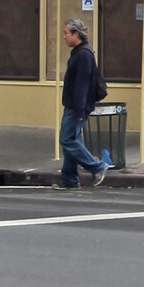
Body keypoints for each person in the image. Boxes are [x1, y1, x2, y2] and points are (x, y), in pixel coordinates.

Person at [58, 19, 111, 189]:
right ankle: (70, 179)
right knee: (72, 140)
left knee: (67, 139)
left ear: (76, 34)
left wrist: (80, 110)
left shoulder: (84, 55)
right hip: (74, 105)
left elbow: (82, 85)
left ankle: (97, 167)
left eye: (66, 33)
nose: (64, 36)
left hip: (77, 107)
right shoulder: (78, 52)